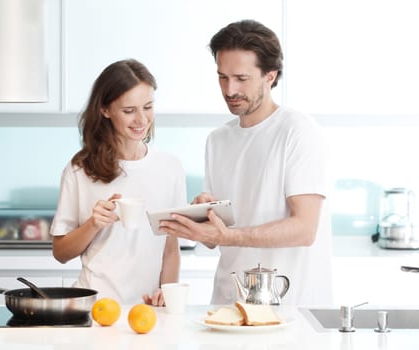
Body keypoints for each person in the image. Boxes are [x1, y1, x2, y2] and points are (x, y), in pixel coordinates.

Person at [159, 20, 333, 306]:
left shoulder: (298, 131)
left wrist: (227, 235)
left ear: (270, 76)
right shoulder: (218, 140)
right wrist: (206, 216)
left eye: (241, 78)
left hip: (287, 307)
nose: (229, 90)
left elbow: (304, 228)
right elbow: (215, 240)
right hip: (229, 305)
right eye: (222, 77)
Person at [50, 59, 187, 306]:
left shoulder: (170, 168)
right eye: (128, 110)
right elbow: (60, 253)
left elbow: (170, 248)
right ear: (105, 110)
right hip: (94, 307)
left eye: (148, 107)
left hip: (146, 312)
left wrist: (167, 293)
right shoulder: (80, 170)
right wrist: (93, 224)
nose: (142, 119)